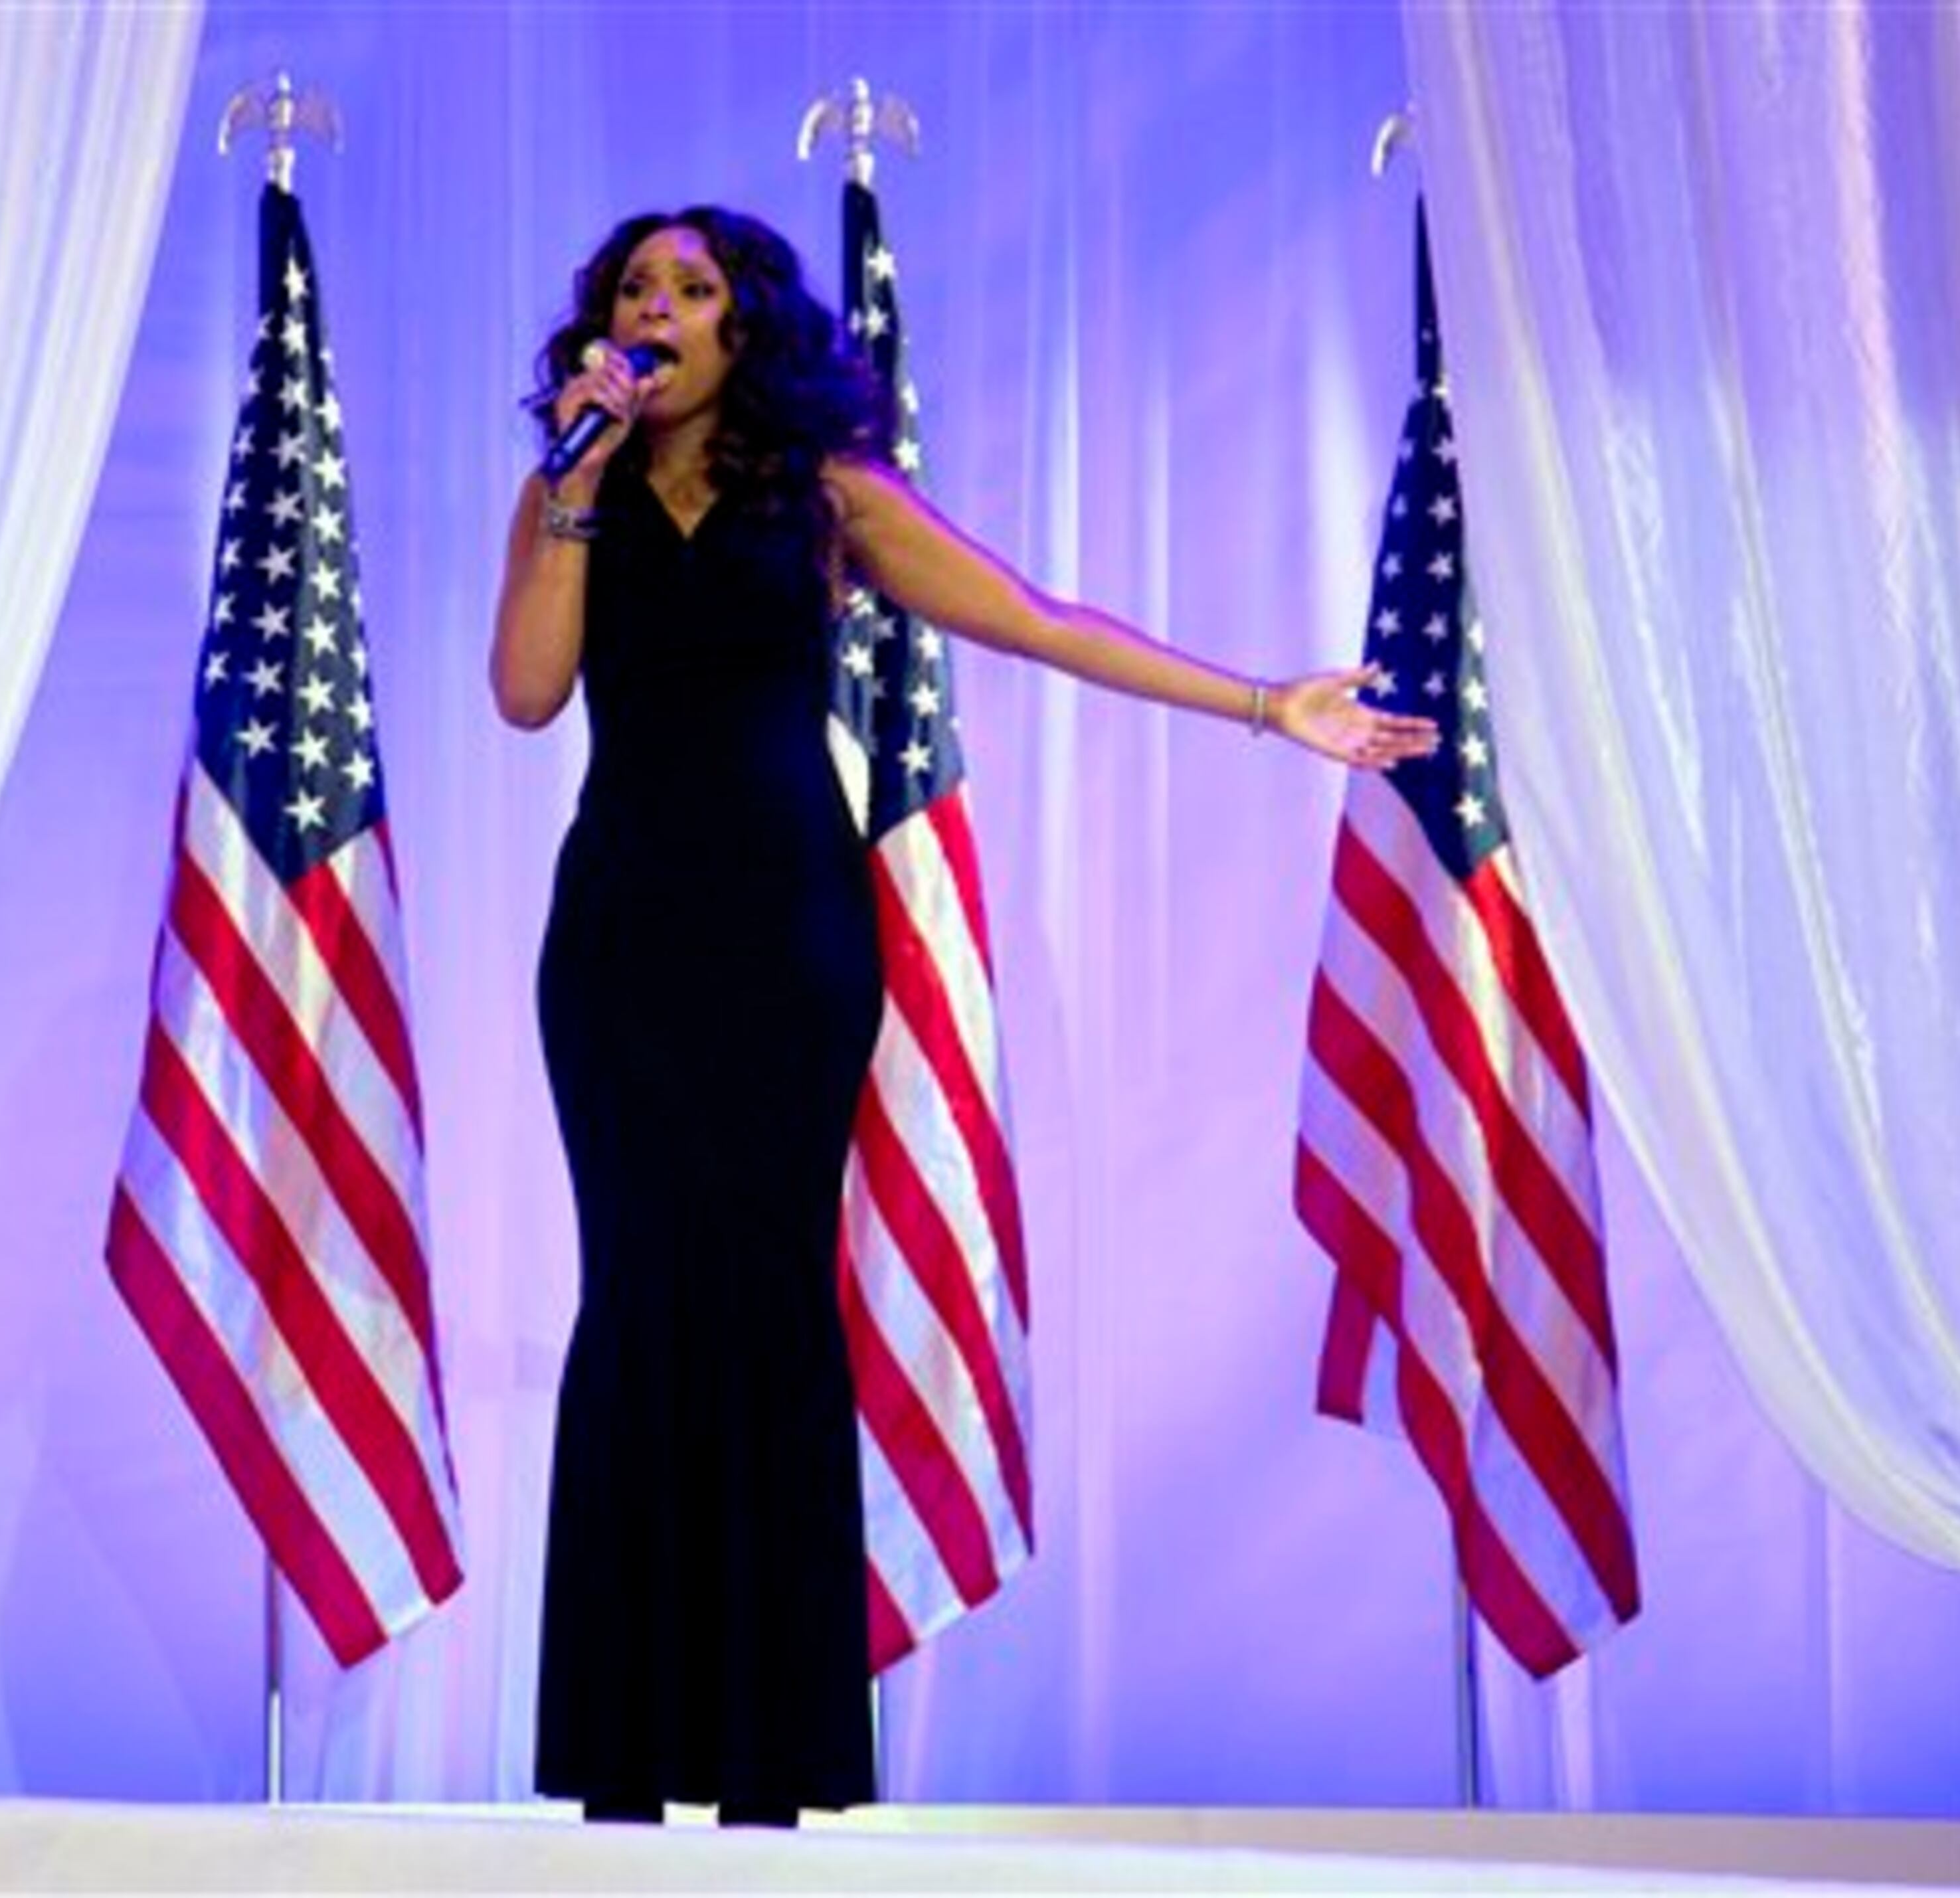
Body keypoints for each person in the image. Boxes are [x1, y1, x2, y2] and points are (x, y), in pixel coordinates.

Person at [490, 205, 1436, 1828]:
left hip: (787, 936)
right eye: (635, 289)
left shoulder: (829, 496)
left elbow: (1037, 618)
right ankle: (626, 1760)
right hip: (623, 944)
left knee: (774, 1297)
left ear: (747, 325)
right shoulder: (563, 491)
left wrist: (1266, 705)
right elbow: (523, 694)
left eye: (693, 290)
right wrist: (571, 495)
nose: (658, 311)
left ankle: (773, 1763)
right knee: (639, 1294)